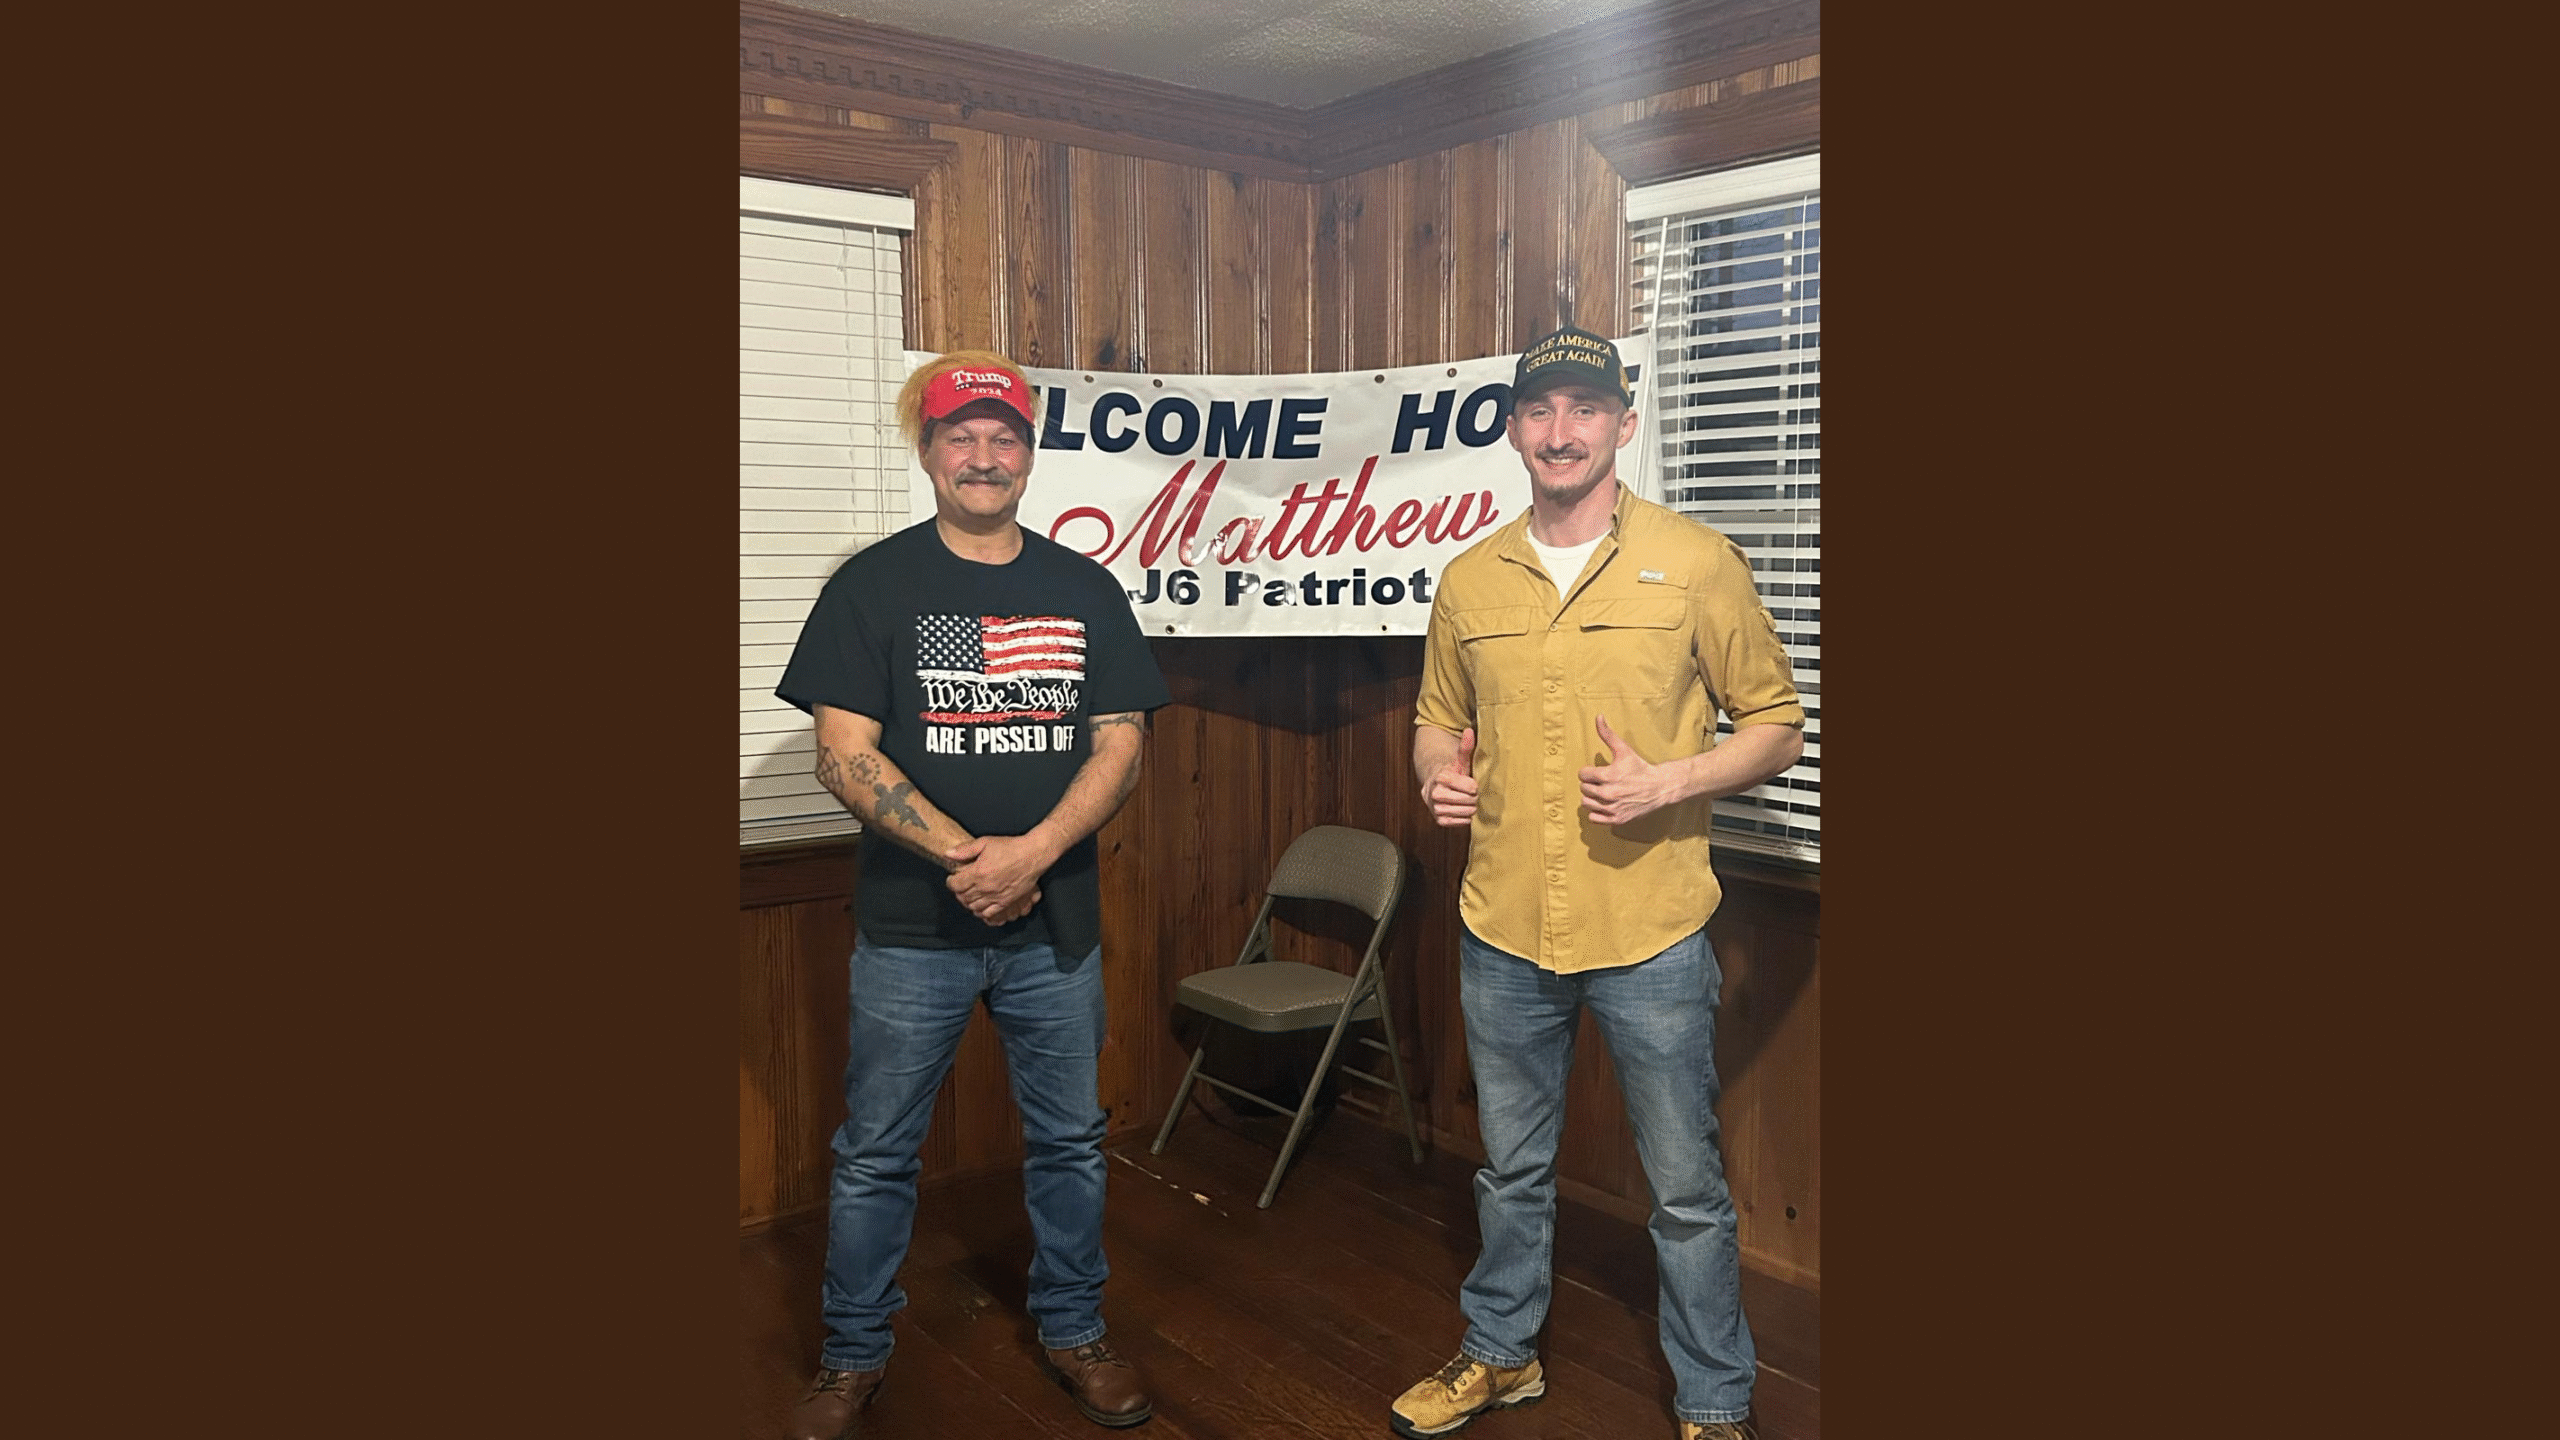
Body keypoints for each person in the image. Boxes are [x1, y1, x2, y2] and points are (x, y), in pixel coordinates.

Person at [1392, 327, 1805, 1440]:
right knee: (1509, 1168)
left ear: (1625, 424)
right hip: (1503, 924)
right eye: (1540, 411)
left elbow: (1775, 724)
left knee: (1682, 1192)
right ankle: (1500, 1353)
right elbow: (1437, 722)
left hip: (1652, 929)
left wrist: (1672, 777)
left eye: (1585, 408)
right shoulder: (1472, 575)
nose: (1560, 431)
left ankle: (1715, 1401)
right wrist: (1440, 777)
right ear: (1514, 430)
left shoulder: (1696, 560)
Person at [775, 350, 1171, 1439]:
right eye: (962, 435)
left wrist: (1031, 854)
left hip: (1056, 925)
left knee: (1070, 1141)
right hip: (913, 932)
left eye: (1003, 437)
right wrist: (970, 860)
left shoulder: (1082, 587)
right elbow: (841, 751)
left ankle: (1075, 1330)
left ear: (1028, 455)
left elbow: (1122, 741)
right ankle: (852, 1357)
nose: (983, 455)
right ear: (929, 452)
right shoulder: (873, 585)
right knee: (876, 1152)